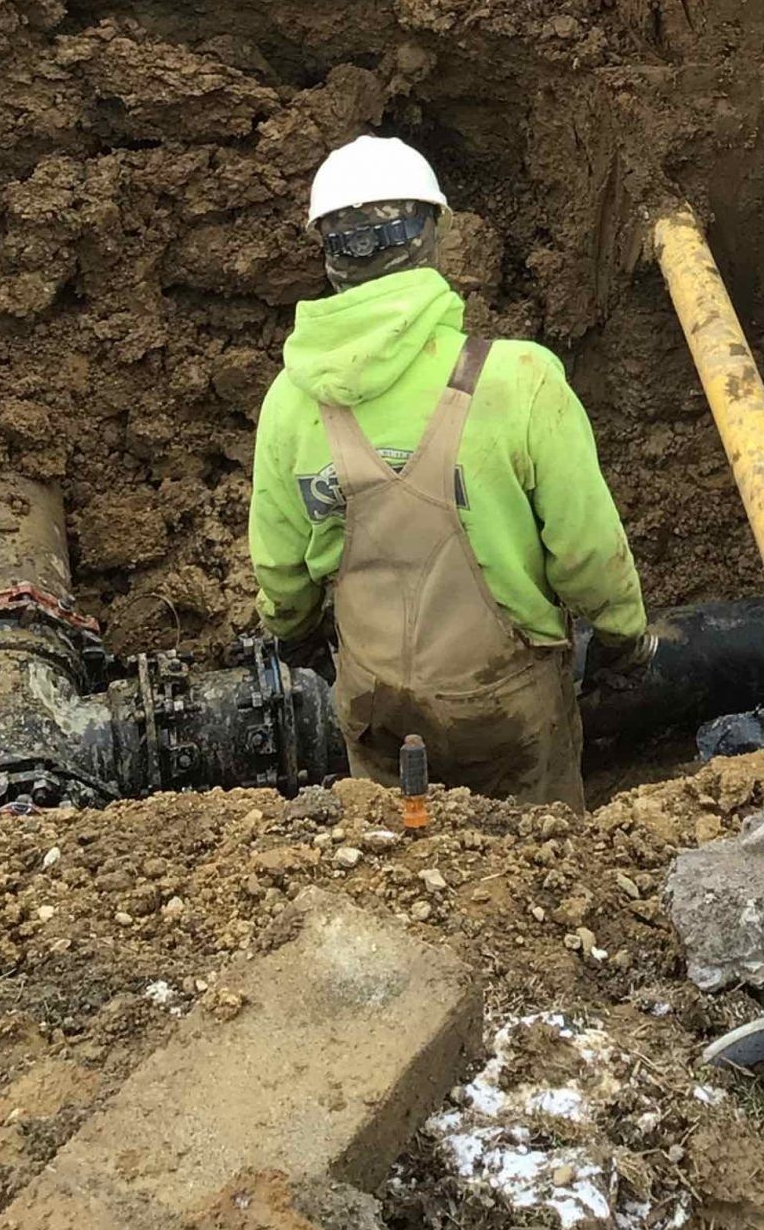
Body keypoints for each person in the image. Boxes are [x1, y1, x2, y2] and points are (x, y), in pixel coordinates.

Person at [247, 134, 650, 808]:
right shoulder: (518, 379)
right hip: (507, 705)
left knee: (399, 867)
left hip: (376, 703)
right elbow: (587, 549)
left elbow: (281, 575)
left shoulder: (291, 402)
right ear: (431, 236)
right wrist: (621, 638)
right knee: (547, 867)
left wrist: (298, 640)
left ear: (329, 252)